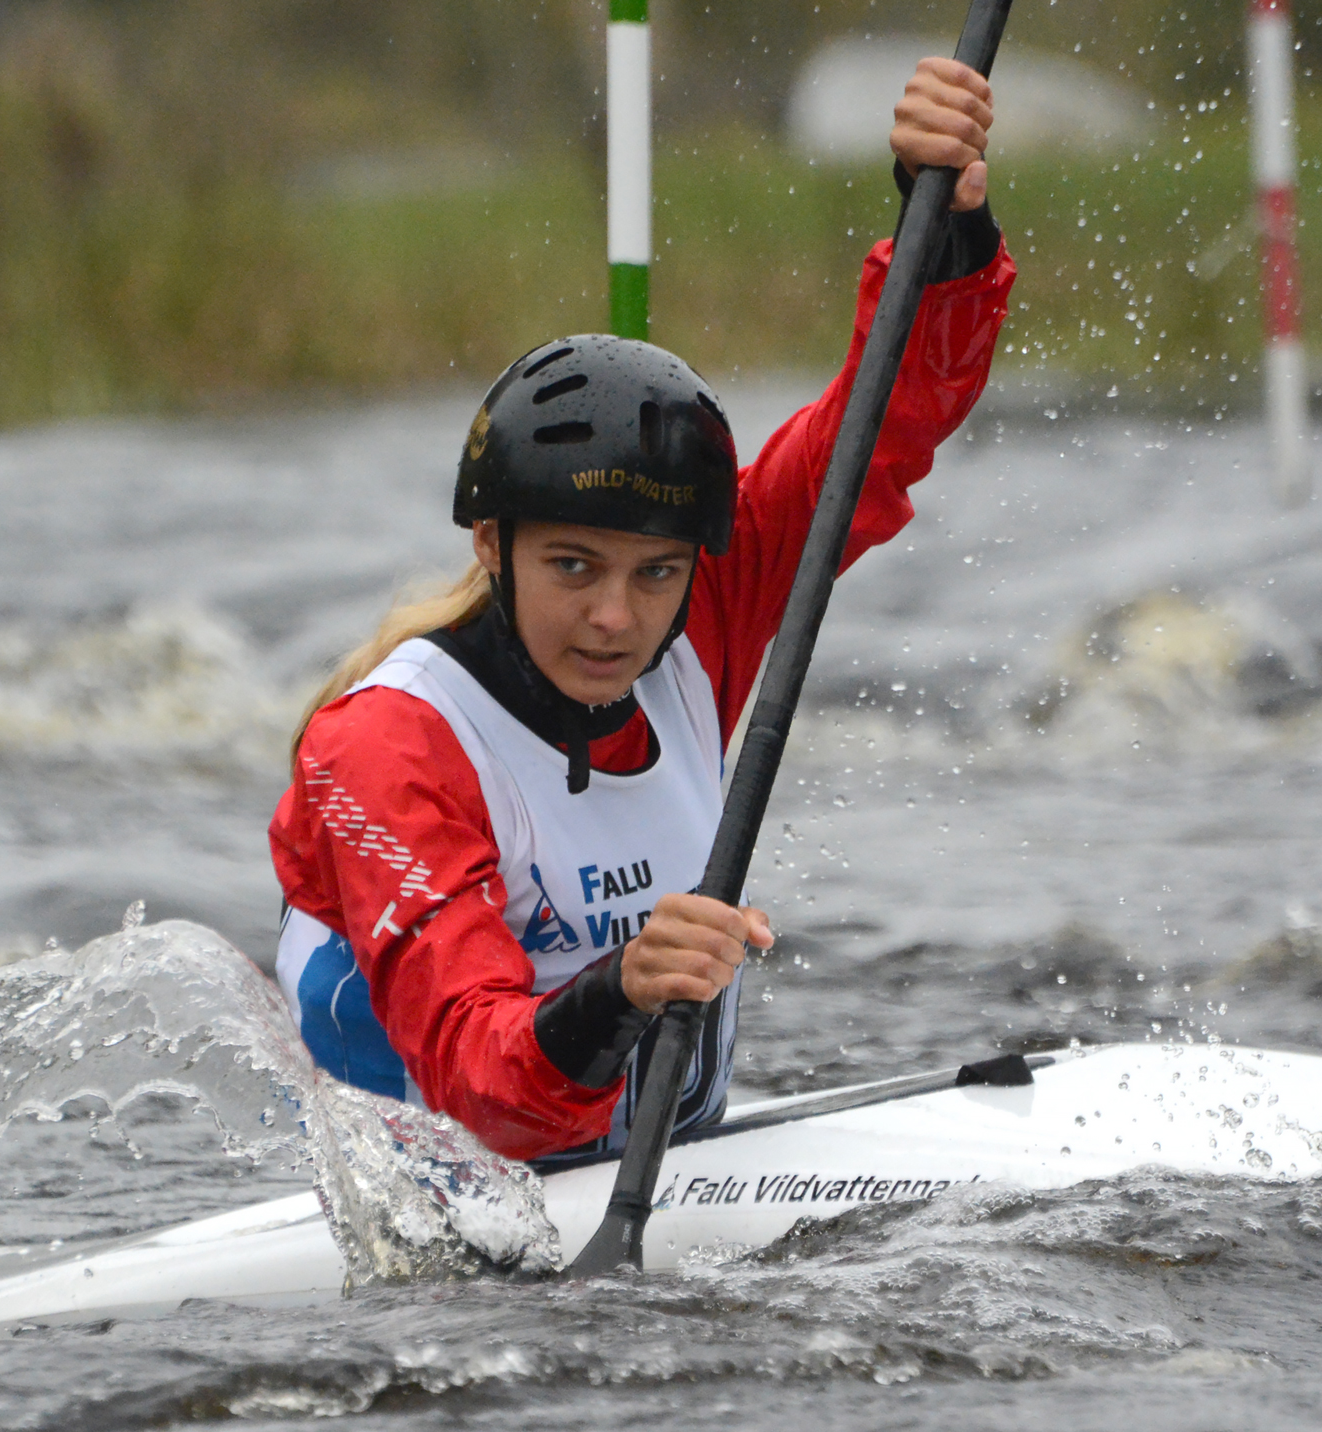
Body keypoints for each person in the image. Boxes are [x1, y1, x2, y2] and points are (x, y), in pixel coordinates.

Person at [270, 57, 1015, 1163]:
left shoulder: (698, 623)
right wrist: (618, 982)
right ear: (492, 544)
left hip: (649, 1165)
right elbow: (479, 1083)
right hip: (430, 1196)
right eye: (572, 566)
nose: (616, 620)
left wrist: (940, 227)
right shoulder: (387, 745)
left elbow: (880, 431)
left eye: (654, 573)